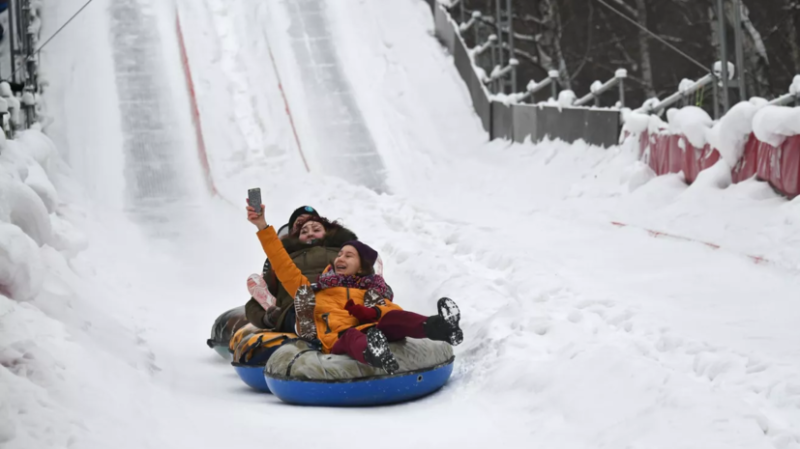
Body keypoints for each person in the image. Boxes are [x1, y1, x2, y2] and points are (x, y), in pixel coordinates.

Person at [246, 201, 463, 374]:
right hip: (332, 327)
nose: (340, 257)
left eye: (347, 255)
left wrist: (376, 309)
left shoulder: (366, 287)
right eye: (340, 255)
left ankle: (441, 326)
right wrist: (262, 226)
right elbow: (282, 264)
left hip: (368, 321)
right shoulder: (315, 287)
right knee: (345, 331)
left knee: (394, 317)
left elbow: (388, 309)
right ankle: (370, 351)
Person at [244, 210, 358, 333]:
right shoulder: (285, 260)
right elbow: (253, 305)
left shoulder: (341, 254)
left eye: (316, 230)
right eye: (304, 231)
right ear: (296, 237)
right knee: (302, 298)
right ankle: (305, 324)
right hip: (297, 309)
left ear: (328, 233)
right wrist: (267, 319)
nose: (310, 234)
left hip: (341, 303)